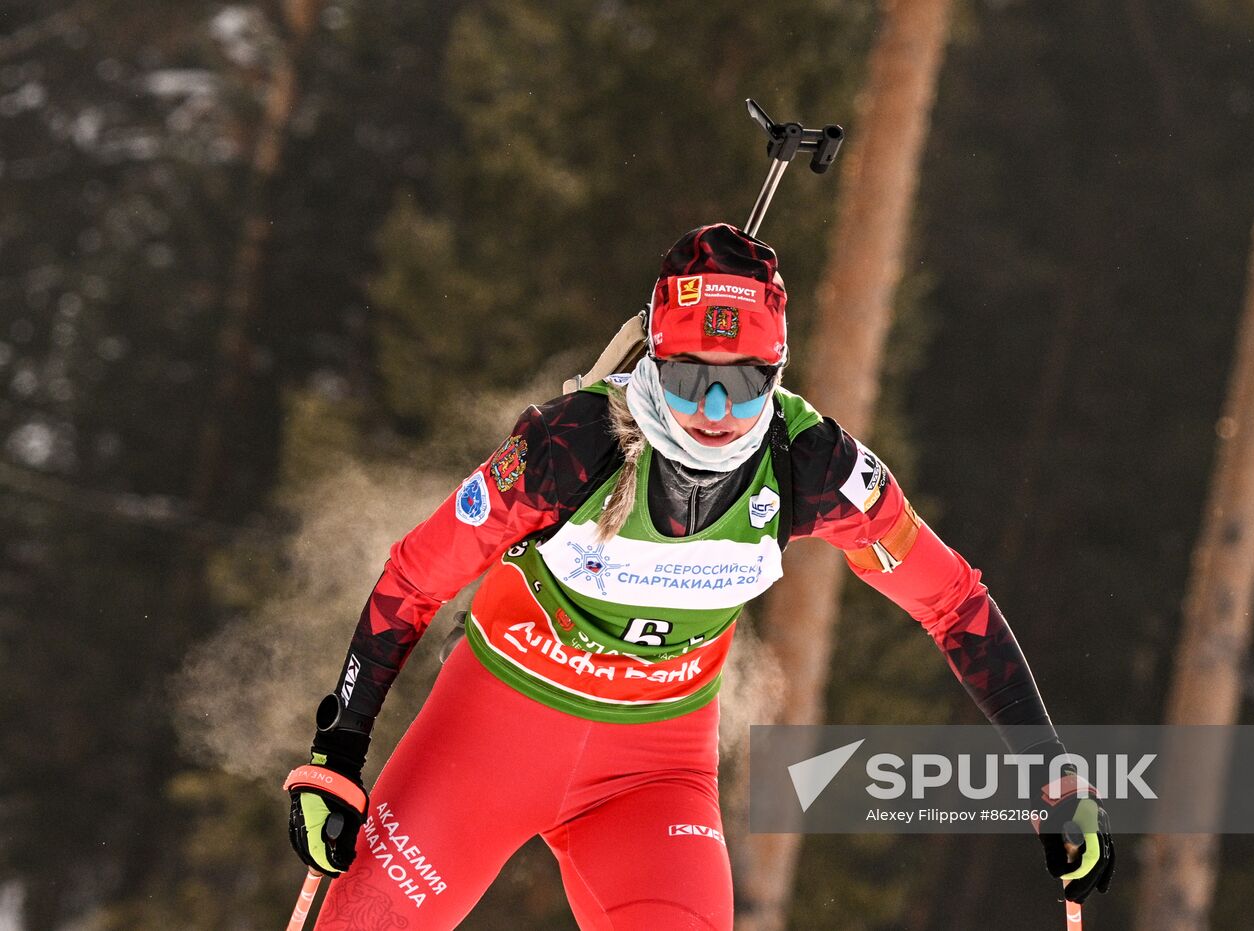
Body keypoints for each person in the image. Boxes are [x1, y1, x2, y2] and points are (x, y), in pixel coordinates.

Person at [285, 223, 1114, 929]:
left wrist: (1054, 776)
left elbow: (954, 603)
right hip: (488, 737)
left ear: (777, 369)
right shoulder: (573, 446)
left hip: (652, 776)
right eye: (689, 378)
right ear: (654, 357)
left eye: (743, 381)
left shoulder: (812, 465)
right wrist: (338, 750)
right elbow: (414, 578)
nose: (715, 414)